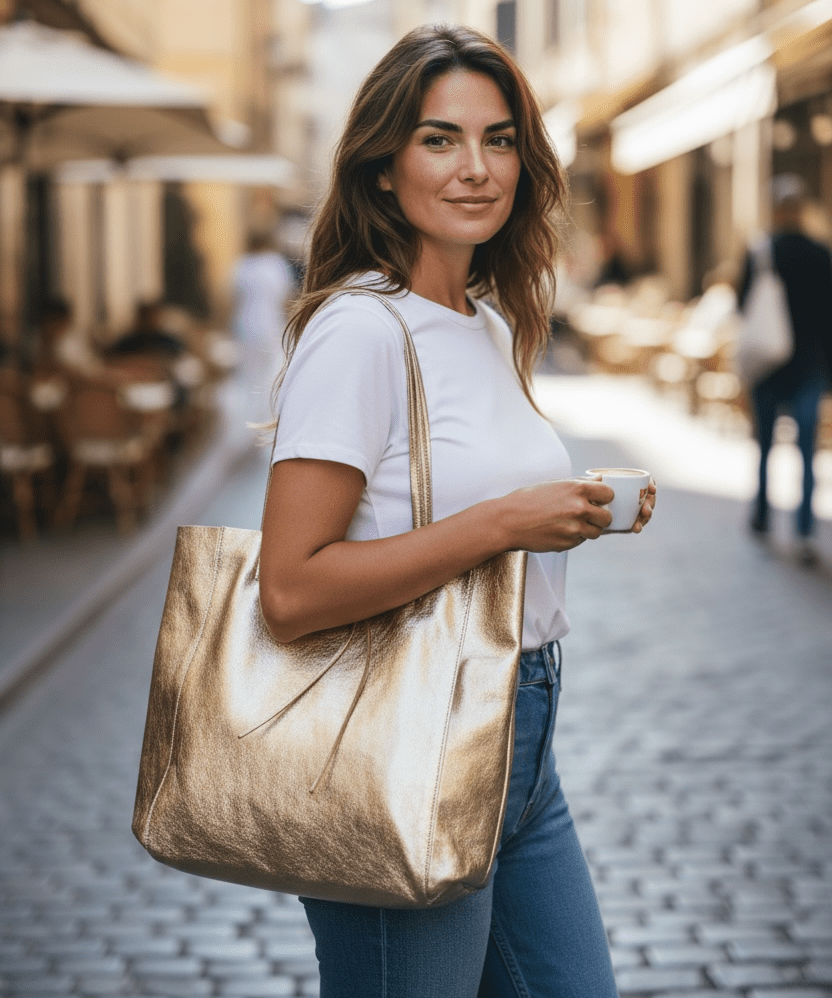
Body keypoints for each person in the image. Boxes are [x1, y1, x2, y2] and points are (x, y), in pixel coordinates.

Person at [258, 25, 656, 997]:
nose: (477, 167)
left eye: (500, 138)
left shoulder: (485, 318)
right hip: (406, 734)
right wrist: (507, 522)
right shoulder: (358, 328)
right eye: (440, 139)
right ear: (383, 167)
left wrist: (567, 509)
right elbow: (291, 587)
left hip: (521, 732)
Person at [738, 175, 832, 565]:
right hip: (811, 365)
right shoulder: (820, 252)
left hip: (770, 364)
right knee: (807, 450)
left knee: (764, 444)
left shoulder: (761, 251)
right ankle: (805, 529)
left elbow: (743, 304)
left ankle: (761, 516)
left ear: (777, 210)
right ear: (800, 210)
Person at [231, 232, 294, 420]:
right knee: (267, 374)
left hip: (244, 324)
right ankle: (261, 417)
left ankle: (244, 418)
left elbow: (231, 299)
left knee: (247, 375)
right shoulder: (275, 264)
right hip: (270, 323)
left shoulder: (241, 265)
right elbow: (287, 298)